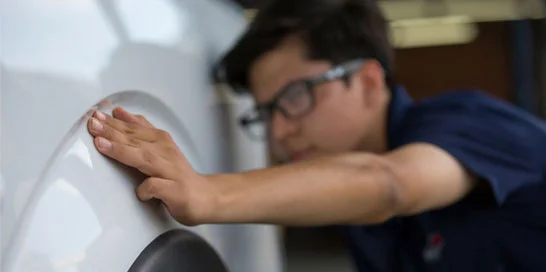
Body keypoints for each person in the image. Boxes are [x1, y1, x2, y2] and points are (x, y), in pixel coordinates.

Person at [86, 0, 546, 270]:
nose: (281, 130)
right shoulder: (357, 215)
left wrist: (209, 193)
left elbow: (392, 183)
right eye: (267, 112)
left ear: (367, 81)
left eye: (296, 96)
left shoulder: (470, 121)